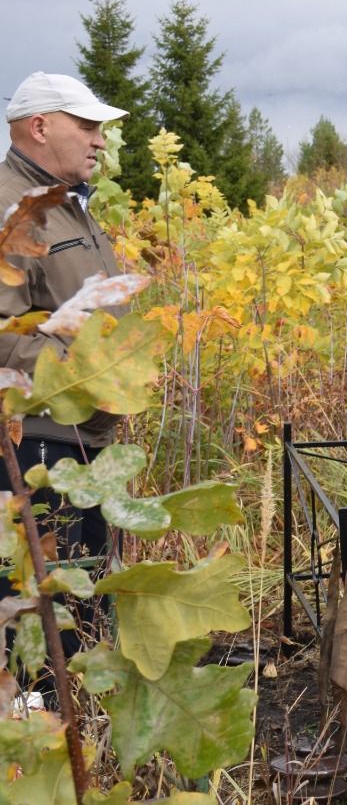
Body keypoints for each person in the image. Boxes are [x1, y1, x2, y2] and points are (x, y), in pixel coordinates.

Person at [0, 72, 131, 646]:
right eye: (87, 126)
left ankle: (83, 720)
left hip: (82, 436)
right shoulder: (14, 209)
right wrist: (90, 376)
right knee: (40, 611)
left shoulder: (67, 204)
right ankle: (37, 720)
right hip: (38, 443)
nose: (99, 140)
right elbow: (4, 334)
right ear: (40, 126)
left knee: (86, 592)